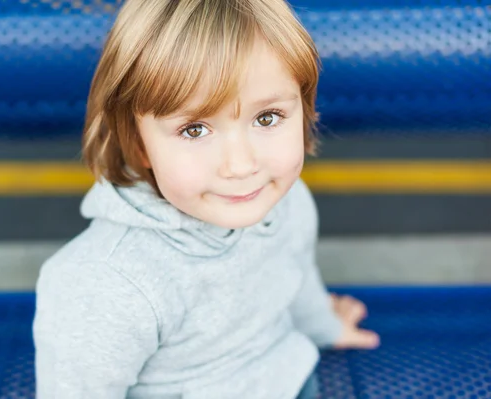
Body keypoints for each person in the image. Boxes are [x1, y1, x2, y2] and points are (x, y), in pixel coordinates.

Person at [33, 0, 380, 398]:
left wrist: (324, 326)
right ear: (139, 144)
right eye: (195, 129)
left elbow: (293, 276)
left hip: (284, 378)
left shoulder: (285, 200)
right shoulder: (105, 282)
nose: (240, 165)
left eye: (266, 118)